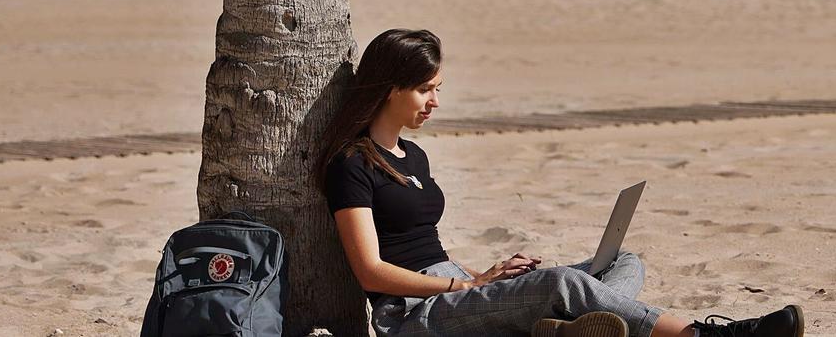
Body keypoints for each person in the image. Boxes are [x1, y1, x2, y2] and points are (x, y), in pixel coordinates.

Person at [314, 29, 804, 337]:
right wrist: (465, 282)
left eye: (437, 90)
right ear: (390, 88)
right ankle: (708, 336)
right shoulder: (352, 164)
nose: (435, 102)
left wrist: (483, 277)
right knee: (563, 282)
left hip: (455, 289)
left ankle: (566, 330)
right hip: (413, 315)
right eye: (425, 90)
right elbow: (370, 272)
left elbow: (429, 247)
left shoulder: (414, 155)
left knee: (622, 262)